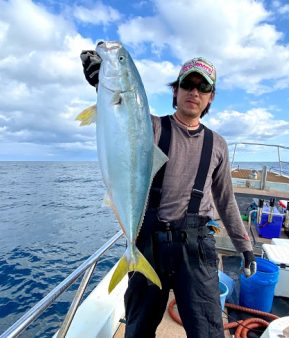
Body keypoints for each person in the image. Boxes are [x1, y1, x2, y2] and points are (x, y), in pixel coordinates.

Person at [81, 47, 256, 338]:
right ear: (175, 91)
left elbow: (226, 201)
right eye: (187, 84)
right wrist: (101, 81)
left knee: (208, 332)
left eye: (203, 87)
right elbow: (122, 117)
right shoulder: (150, 127)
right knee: (138, 329)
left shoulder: (218, 145)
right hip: (149, 243)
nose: (194, 92)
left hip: (197, 249)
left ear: (210, 97)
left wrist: (245, 247)